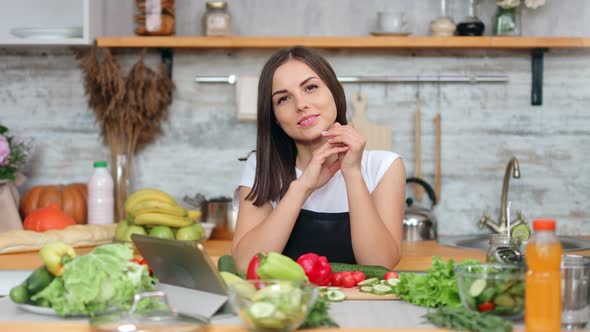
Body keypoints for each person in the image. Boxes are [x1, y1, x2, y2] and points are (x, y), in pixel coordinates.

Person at [231, 46, 406, 272]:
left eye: (310, 88)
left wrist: (352, 174)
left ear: (335, 91)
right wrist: (302, 187)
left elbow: (380, 264)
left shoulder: (384, 167)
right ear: (273, 116)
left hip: (362, 306)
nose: (301, 104)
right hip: (289, 304)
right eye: (283, 99)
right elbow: (246, 264)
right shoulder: (261, 167)